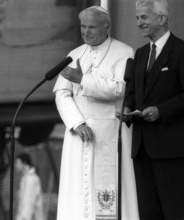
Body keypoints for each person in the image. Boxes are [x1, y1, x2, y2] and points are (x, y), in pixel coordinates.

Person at [53, 5, 139, 220]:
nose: (86, 32)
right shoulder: (74, 55)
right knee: (77, 193)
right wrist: (76, 123)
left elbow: (120, 89)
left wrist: (83, 80)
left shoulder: (124, 52)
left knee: (108, 199)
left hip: (110, 131)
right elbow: (61, 93)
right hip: (78, 134)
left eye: (91, 27)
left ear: (107, 26)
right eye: (83, 26)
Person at [123, 0, 184, 219]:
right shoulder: (140, 53)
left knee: (173, 209)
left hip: (170, 145)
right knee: (147, 212)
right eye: (137, 18)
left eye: (144, 17)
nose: (139, 23)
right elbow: (133, 92)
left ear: (162, 18)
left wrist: (161, 110)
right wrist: (127, 109)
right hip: (141, 147)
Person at [15, 152, 45, 220]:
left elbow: (28, 201)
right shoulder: (26, 178)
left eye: (17, 163)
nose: (16, 165)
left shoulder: (30, 179)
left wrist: (23, 218)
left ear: (24, 163)